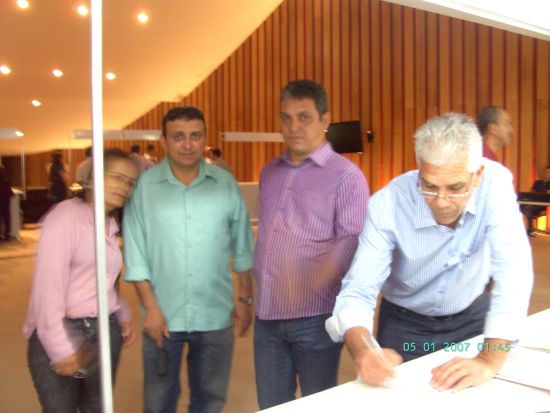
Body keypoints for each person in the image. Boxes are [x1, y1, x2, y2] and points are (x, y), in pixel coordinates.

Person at [326, 113, 533, 392]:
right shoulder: (388, 203)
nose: (442, 202)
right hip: (405, 328)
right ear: (419, 170)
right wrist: (364, 350)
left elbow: (514, 273)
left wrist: (488, 360)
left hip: (471, 318)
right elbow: (357, 290)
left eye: (455, 187)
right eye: (430, 186)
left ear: (478, 175)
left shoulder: (495, 185)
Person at [123, 106, 254, 413]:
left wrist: (245, 298)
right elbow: (135, 252)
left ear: (205, 138)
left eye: (195, 136)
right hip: (162, 315)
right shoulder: (144, 187)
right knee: (158, 402)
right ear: (164, 141)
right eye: (178, 136)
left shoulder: (225, 184)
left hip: (214, 313)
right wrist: (151, 308)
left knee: (210, 400)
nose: (187, 144)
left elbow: (242, 245)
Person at [253, 79, 370, 409]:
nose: (293, 127)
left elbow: (351, 239)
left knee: (317, 405)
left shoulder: (346, 176)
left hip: (315, 318)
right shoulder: (269, 172)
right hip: (267, 316)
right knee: (272, 406)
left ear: (325, 119)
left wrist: (320, 276)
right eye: (286, 118)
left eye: (304, 117)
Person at [23, 149, 138, 412]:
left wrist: (120, 312)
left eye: (130, 182)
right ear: (93, 177)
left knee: (97, 407)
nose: (125, 187)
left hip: (104, 329)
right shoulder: (65, 217)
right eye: (117, 177)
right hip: (64, 329)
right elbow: (47, 288)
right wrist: (59, 346)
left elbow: (98, 279)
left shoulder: (109, 222)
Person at [520, 165, 550, 236]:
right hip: (533, 201)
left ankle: (530, 229)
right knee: (522, 207)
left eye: (548, 172)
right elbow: (531, 190)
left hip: (542, 204)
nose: (546, 173)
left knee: (527, 209)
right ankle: (530, 229)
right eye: (546, 172)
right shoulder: (538, 182)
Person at [0, 164, 14, 240]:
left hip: (2, 197)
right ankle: (7, 234)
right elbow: (8, 185)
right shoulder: (5, 175)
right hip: (5, 197)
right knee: (6, 217)